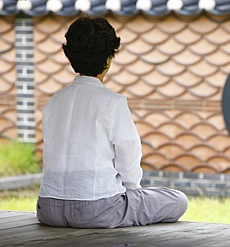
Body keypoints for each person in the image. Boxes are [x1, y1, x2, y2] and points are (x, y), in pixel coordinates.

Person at [36, 16, 187, 228]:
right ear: (108, 59)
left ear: (70, 57)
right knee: (177, 200)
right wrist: (132, 189)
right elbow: (128, 153)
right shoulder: (112, 102)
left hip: (48, 209)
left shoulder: (53, 102)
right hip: (96, 209)